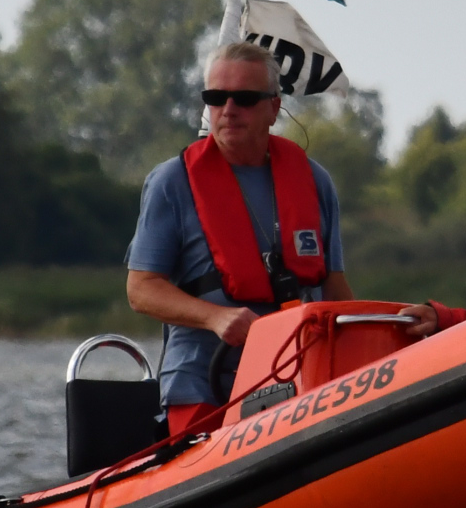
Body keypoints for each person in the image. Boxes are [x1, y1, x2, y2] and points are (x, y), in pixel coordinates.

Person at [125, 41, 436, 437]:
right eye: (216, 97)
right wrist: (216, 318)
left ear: (274, 107)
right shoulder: (171, 182)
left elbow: (333, 289)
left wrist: (385, 332)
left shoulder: (314, 181)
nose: (229, 109)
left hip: (296, 380)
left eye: (244, 98)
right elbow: (141, 289)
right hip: (203, 383)